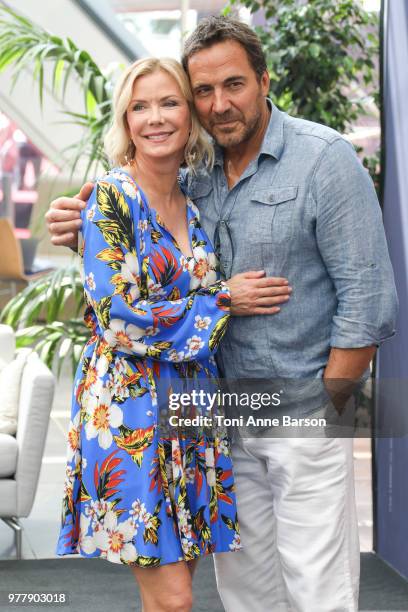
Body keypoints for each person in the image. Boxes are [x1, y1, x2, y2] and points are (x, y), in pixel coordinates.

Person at [47, 17, 398, 612]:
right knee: (247, 593)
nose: (219, 104)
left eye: (232, 85)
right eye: (203, 91)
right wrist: (79, 230)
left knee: (320, 590)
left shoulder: (324, 158)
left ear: (264, 80)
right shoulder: (192, 178)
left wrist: (328, 403)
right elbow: (133, 266)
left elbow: (369, 301)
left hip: (299, 412)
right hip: (215, 420)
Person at [55, 55, 291, 612]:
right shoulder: (111, 197)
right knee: (176, 599)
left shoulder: (197, 197)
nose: (155, 118)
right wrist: (223, 298)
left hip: (192, 408)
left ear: (191, 115)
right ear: (125, 121)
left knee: (171, 589)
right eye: (140, 106)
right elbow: (120, 317)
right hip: (130, 409)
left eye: (169, 102)